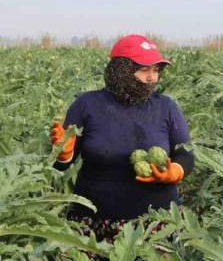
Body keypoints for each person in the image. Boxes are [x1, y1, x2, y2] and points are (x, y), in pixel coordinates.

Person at [50, 34, 194, 259]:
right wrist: (63, 155)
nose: (151, 78)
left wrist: (173, 172)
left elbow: (185, 154)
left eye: (156, 70)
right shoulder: (86, 105)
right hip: (94, 227)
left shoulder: (166, 107)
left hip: (156, 227)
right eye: (145, 70)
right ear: (121, 71)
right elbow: (58, 168)